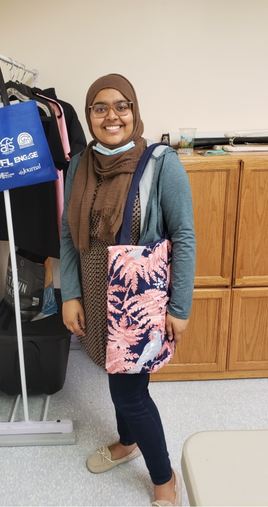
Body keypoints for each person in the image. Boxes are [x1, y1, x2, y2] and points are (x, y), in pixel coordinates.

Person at [60, 74, 195, 507]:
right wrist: (69, 293)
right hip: (96, 295)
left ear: (134, 111)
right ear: (89, 116)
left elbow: (184, 235)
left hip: (138, 299)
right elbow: (67, 233)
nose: (112, 115)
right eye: (100, 108)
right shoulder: (79, 164)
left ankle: (163, 478)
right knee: (115, 374)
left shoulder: (160, 162)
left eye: (122, 105)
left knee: (129, 392)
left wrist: (180, 305)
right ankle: (127, 441)